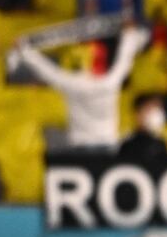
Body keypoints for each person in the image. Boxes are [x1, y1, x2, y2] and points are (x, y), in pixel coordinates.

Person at [14, 26, 150, 153]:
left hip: (78, 148)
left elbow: (46, 70)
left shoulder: (72, 83)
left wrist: (24, 50)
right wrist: (130, 35)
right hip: (108, 147)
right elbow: (124, 59)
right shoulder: (111, 82)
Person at [119, 94, 167, 164]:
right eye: (149, 109)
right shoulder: (127, 143)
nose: (155, 114)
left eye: (158, 109)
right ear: (138, 114)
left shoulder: (161, 144)